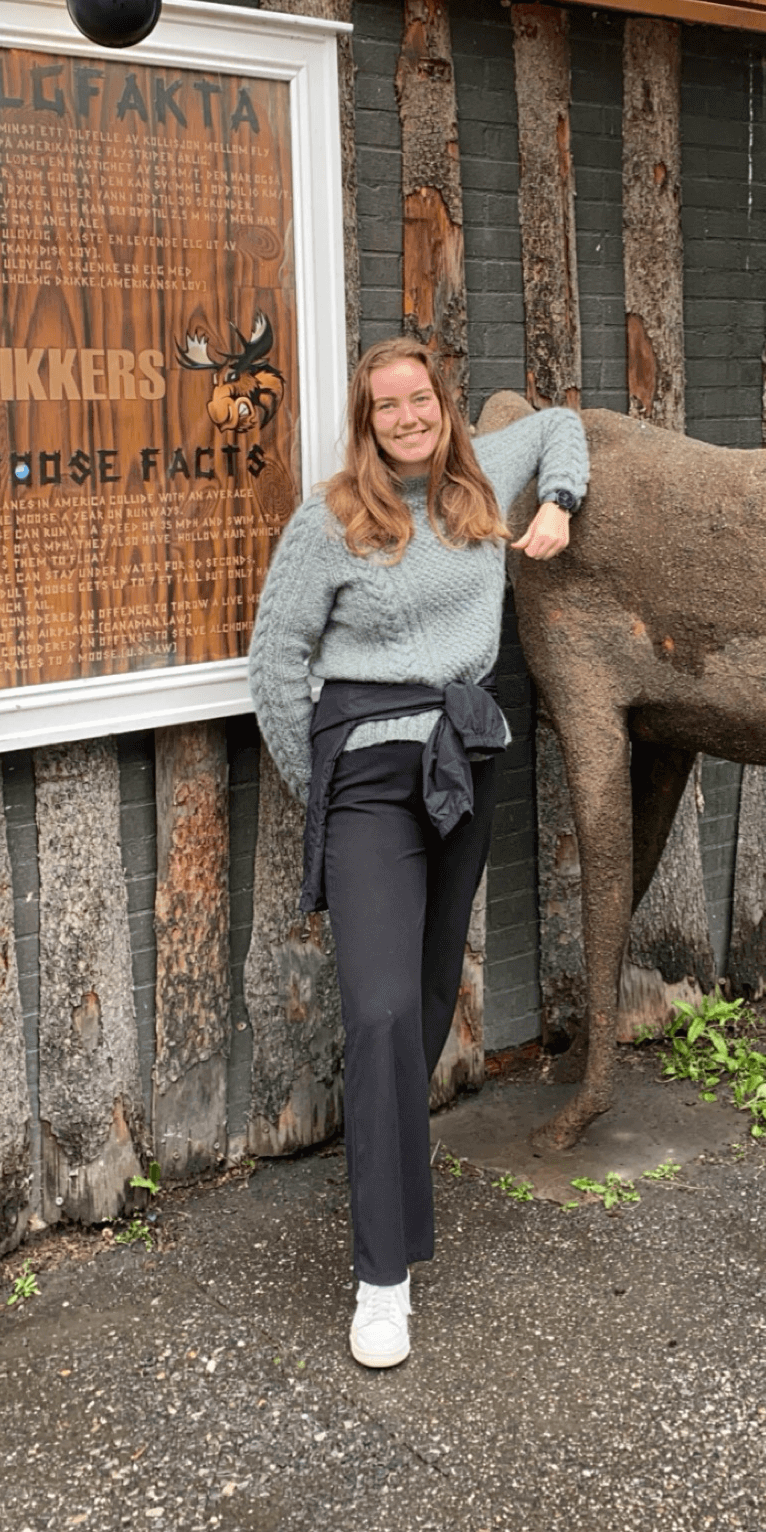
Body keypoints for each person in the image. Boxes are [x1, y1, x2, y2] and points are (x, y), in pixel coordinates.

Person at [247, 337, 589, 1370]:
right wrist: (330, 789)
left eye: (419, 398)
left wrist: (559, 502)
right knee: (383, 1008)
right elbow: (277, 659)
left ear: (443, 404)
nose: (406, 416)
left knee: (431, 999)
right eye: (385, 406)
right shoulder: (333, 517)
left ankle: (395, 1174)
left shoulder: (482, 471)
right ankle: (382, 1279)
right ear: (365, 421)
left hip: (465, 758)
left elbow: (565, 423)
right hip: (368, 771)